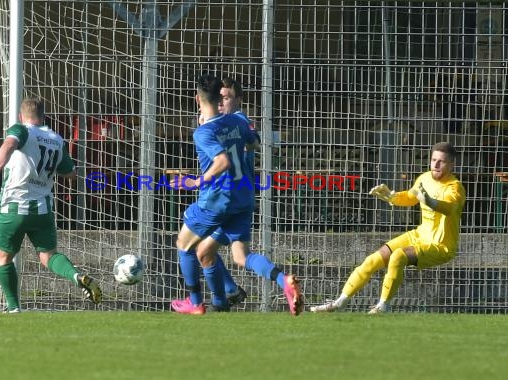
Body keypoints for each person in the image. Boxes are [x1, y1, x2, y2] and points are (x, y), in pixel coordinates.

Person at [171, 75, 304, 316]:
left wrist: (196, 181)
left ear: (197, 99)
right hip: (243, 198)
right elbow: (253, 142)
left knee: (183, 244)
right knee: (240, 256)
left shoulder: (203, 133)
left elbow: (222, 160)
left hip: (217, 199)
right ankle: (282, 280)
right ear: (217, 99)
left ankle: (195, 302)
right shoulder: (238, 122)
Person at [310, 142, 465, 314]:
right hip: (419, 235)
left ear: (451, 164)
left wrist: (429, 200)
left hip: (440, 245)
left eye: (441, 162)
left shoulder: (455, 187)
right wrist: (392, 196)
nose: (435, 165)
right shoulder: (424, 178)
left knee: (399, 256)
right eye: (433, 160)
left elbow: (449, 207)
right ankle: (339, 302)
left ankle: (383, 306)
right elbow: (410, 196)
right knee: (372, 260)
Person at [0, 98, 102, 313]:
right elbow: (70, 173)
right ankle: (76, 276)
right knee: (48, 256)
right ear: (43, 116)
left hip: (14, 207)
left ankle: (13, 308)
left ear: (22, 117)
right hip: (42, 210)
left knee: (3, 257)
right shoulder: (56, 139)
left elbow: (9, 144)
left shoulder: (21, 130)